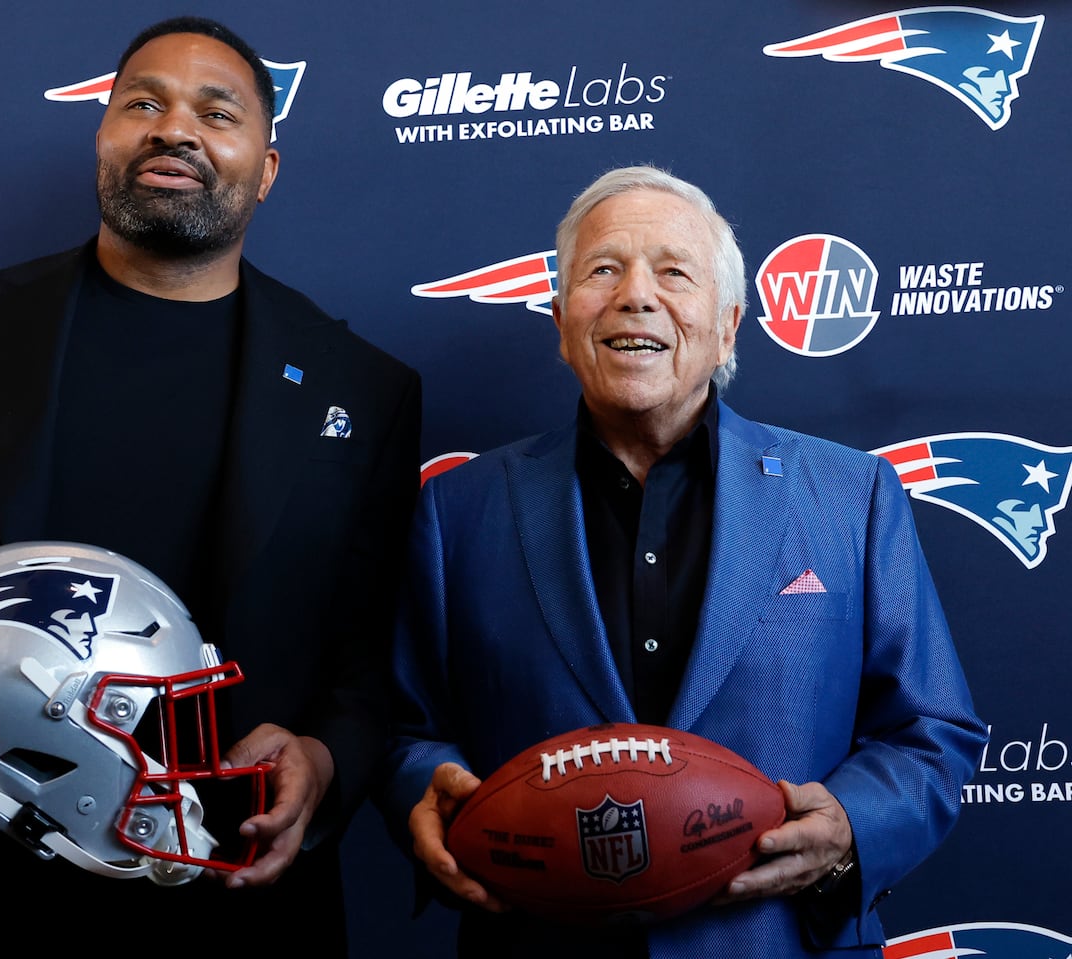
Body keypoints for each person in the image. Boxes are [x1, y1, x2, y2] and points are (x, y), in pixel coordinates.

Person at [0, 16, 420, 958]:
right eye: (143, 103)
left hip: (231, 885)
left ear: (265, 167)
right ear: (104, 135)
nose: (175, 129)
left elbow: (370, 654)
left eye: (216, 111)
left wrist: (324, 759)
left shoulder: (362, 387)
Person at [376, 165, 985, 956]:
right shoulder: (459, 510)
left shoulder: (851, 496)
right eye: (603, 270)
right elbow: (405, 728)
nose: (636, 295)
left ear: (728, 325)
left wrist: (850, 828)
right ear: (561, 322)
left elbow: (931, 727)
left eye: (673, 271)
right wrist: (424, 788)